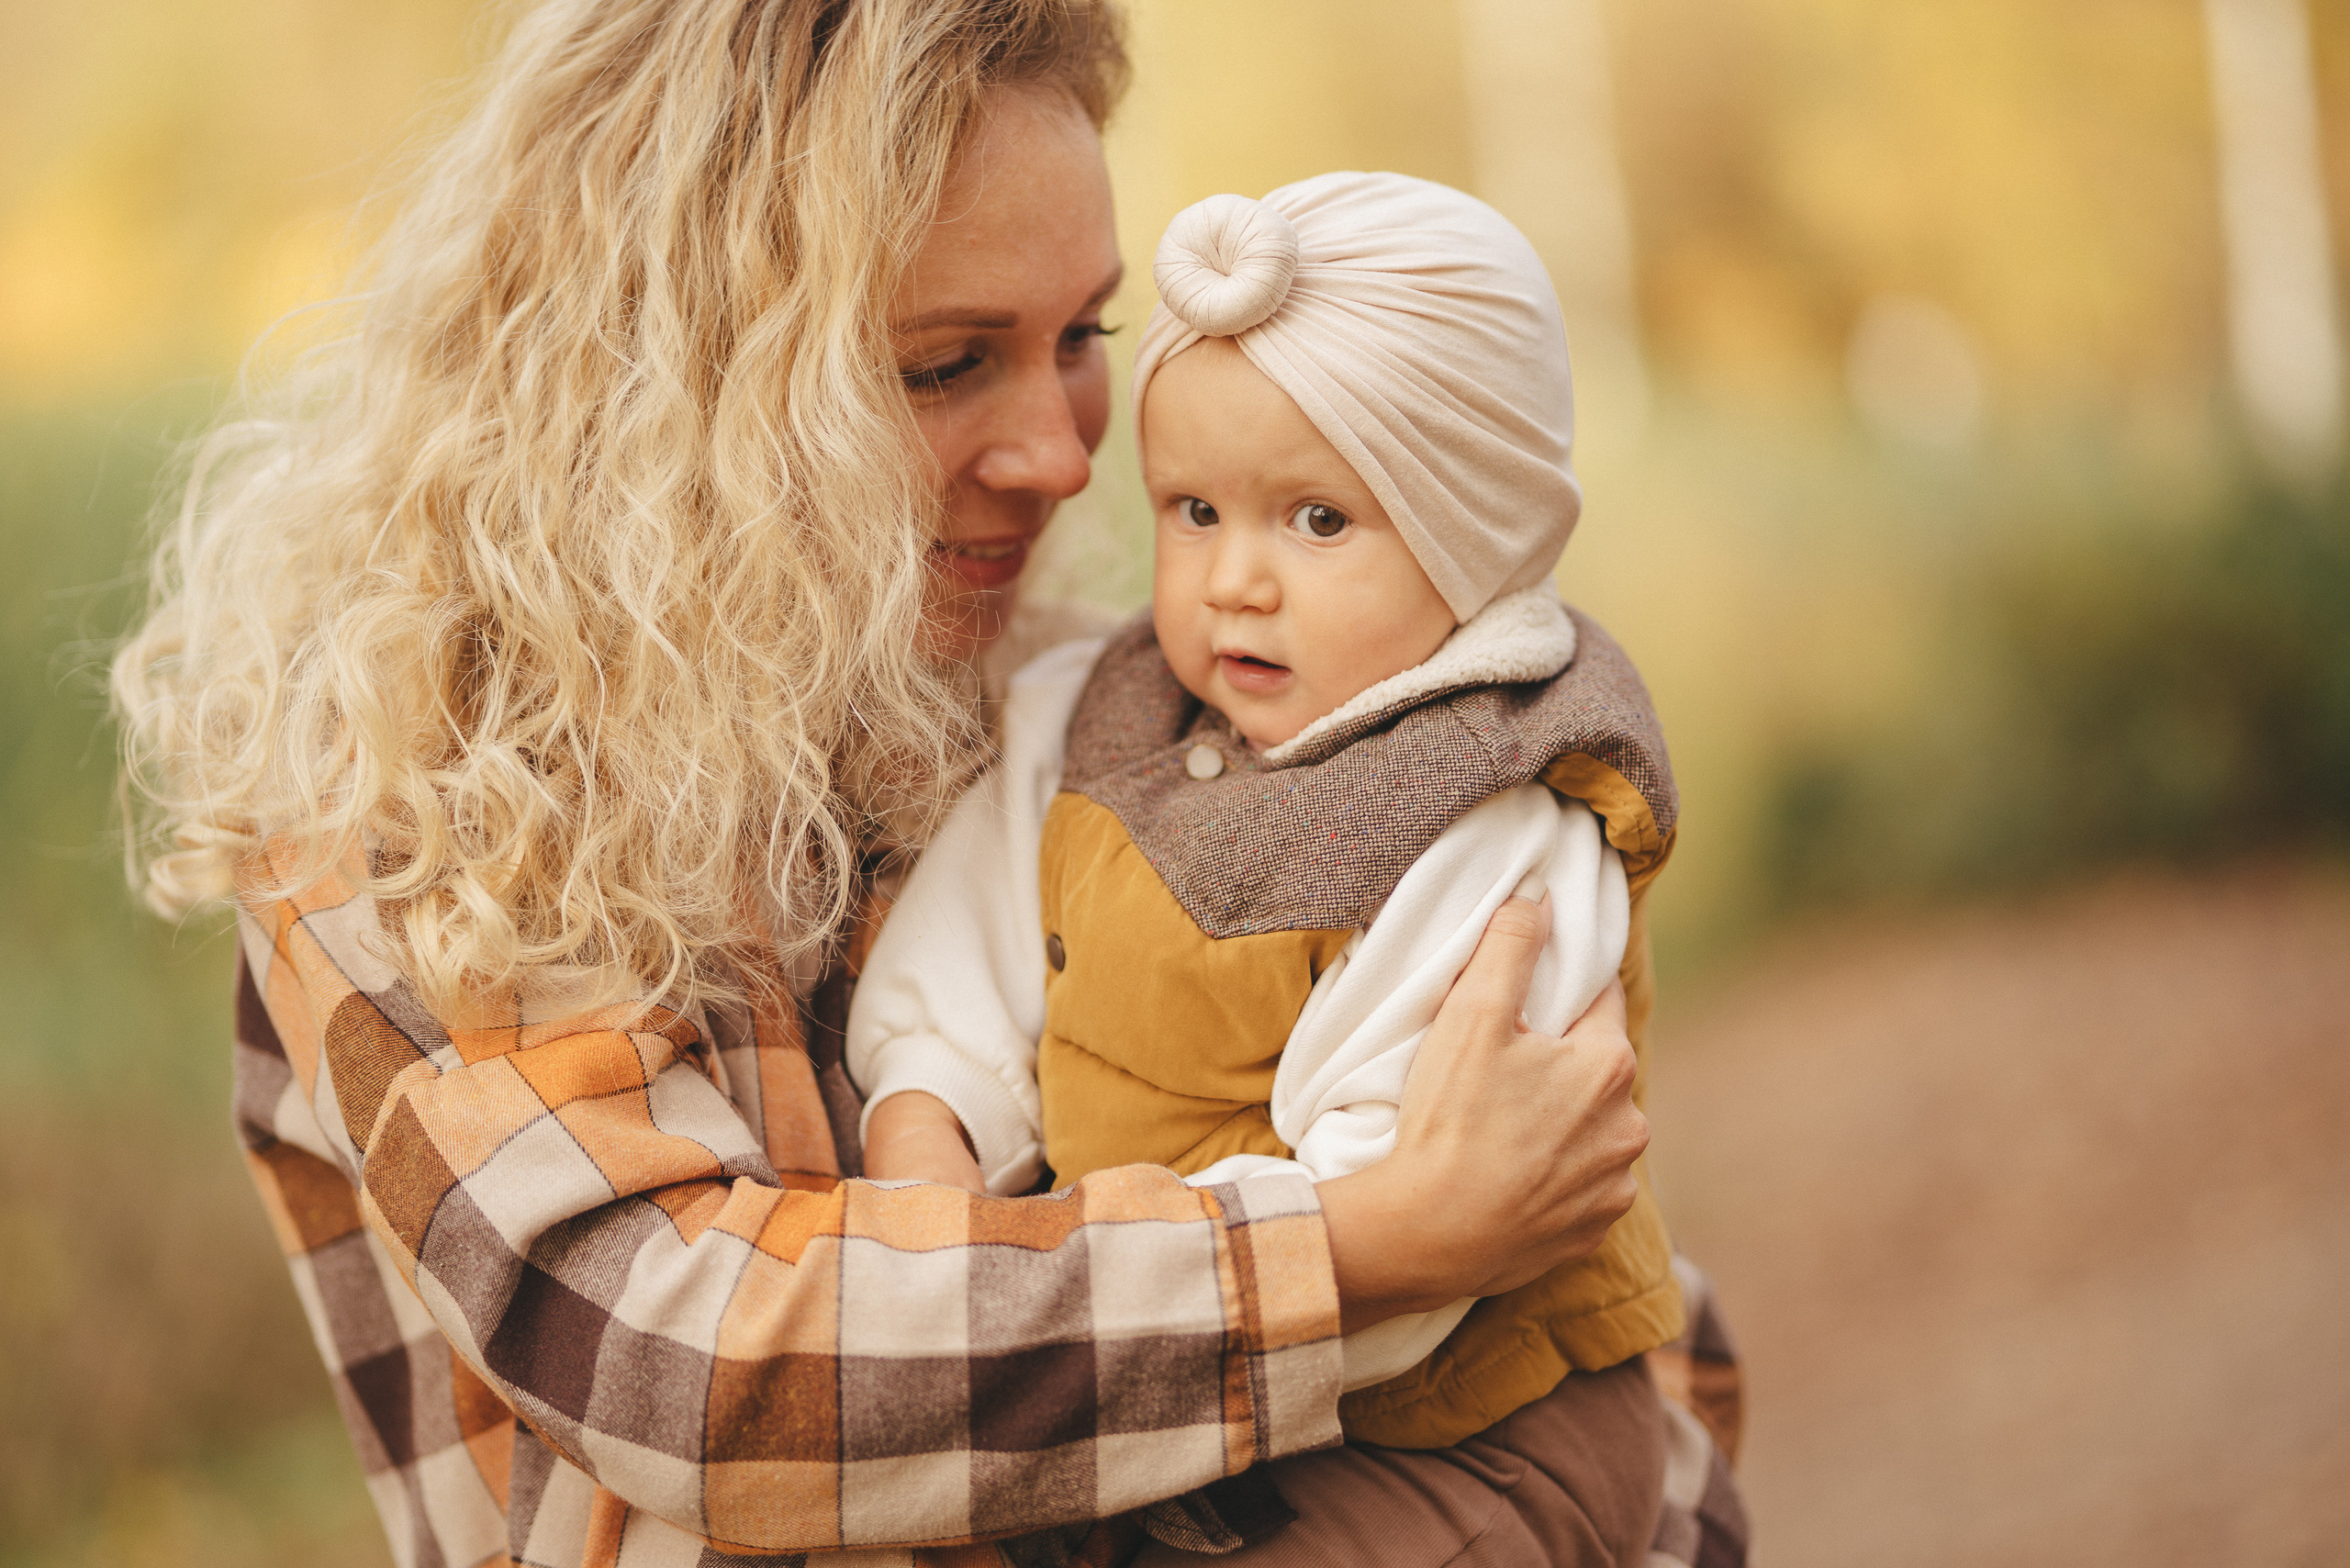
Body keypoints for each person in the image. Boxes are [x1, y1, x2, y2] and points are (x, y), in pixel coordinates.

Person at [109, 3, 1682, 1565]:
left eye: (1081, 340)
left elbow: (1579, 1269)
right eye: (944, 365)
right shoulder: (427, 802)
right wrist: (1350, 1254)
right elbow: (698, 1363)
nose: (1067, 460)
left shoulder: (1068, 706)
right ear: (676, 381)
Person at [847, 175, 1743, 1565]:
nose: (1234, 582)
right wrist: (929, 1135)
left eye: (1317, 522)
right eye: (1193, 512)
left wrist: (1063, 1284)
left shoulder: (1490, 813)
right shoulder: (1106, 712)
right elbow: (966, 955)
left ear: (1477, 534)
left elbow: (1422, 1200)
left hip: (1466, 1438)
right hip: (1193, 1398)